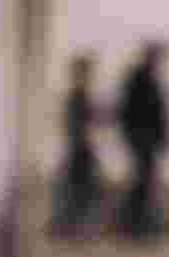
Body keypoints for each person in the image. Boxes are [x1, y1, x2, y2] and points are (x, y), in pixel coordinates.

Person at [115, 40, 169, 241]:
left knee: (144, 183)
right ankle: (136, 228)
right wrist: (133, 136)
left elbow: (161, 114)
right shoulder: (139, 79)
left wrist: (165, 138)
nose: (160, 61)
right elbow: (129, 111)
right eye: (157, 56)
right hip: (142, 140)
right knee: (143, 184)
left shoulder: (150, 79)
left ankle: (137, 227)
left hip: (148, 141)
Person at [51, 54, 103, 239]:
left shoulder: (79, 96)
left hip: (80, 147)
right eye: (86, 71)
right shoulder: (77, 96)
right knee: (79, 189)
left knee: (78, 189)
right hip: (80, 148)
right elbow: (76, 124)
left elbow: (82, 122)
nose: (89, 76)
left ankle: (69, 227)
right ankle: (69, 227)